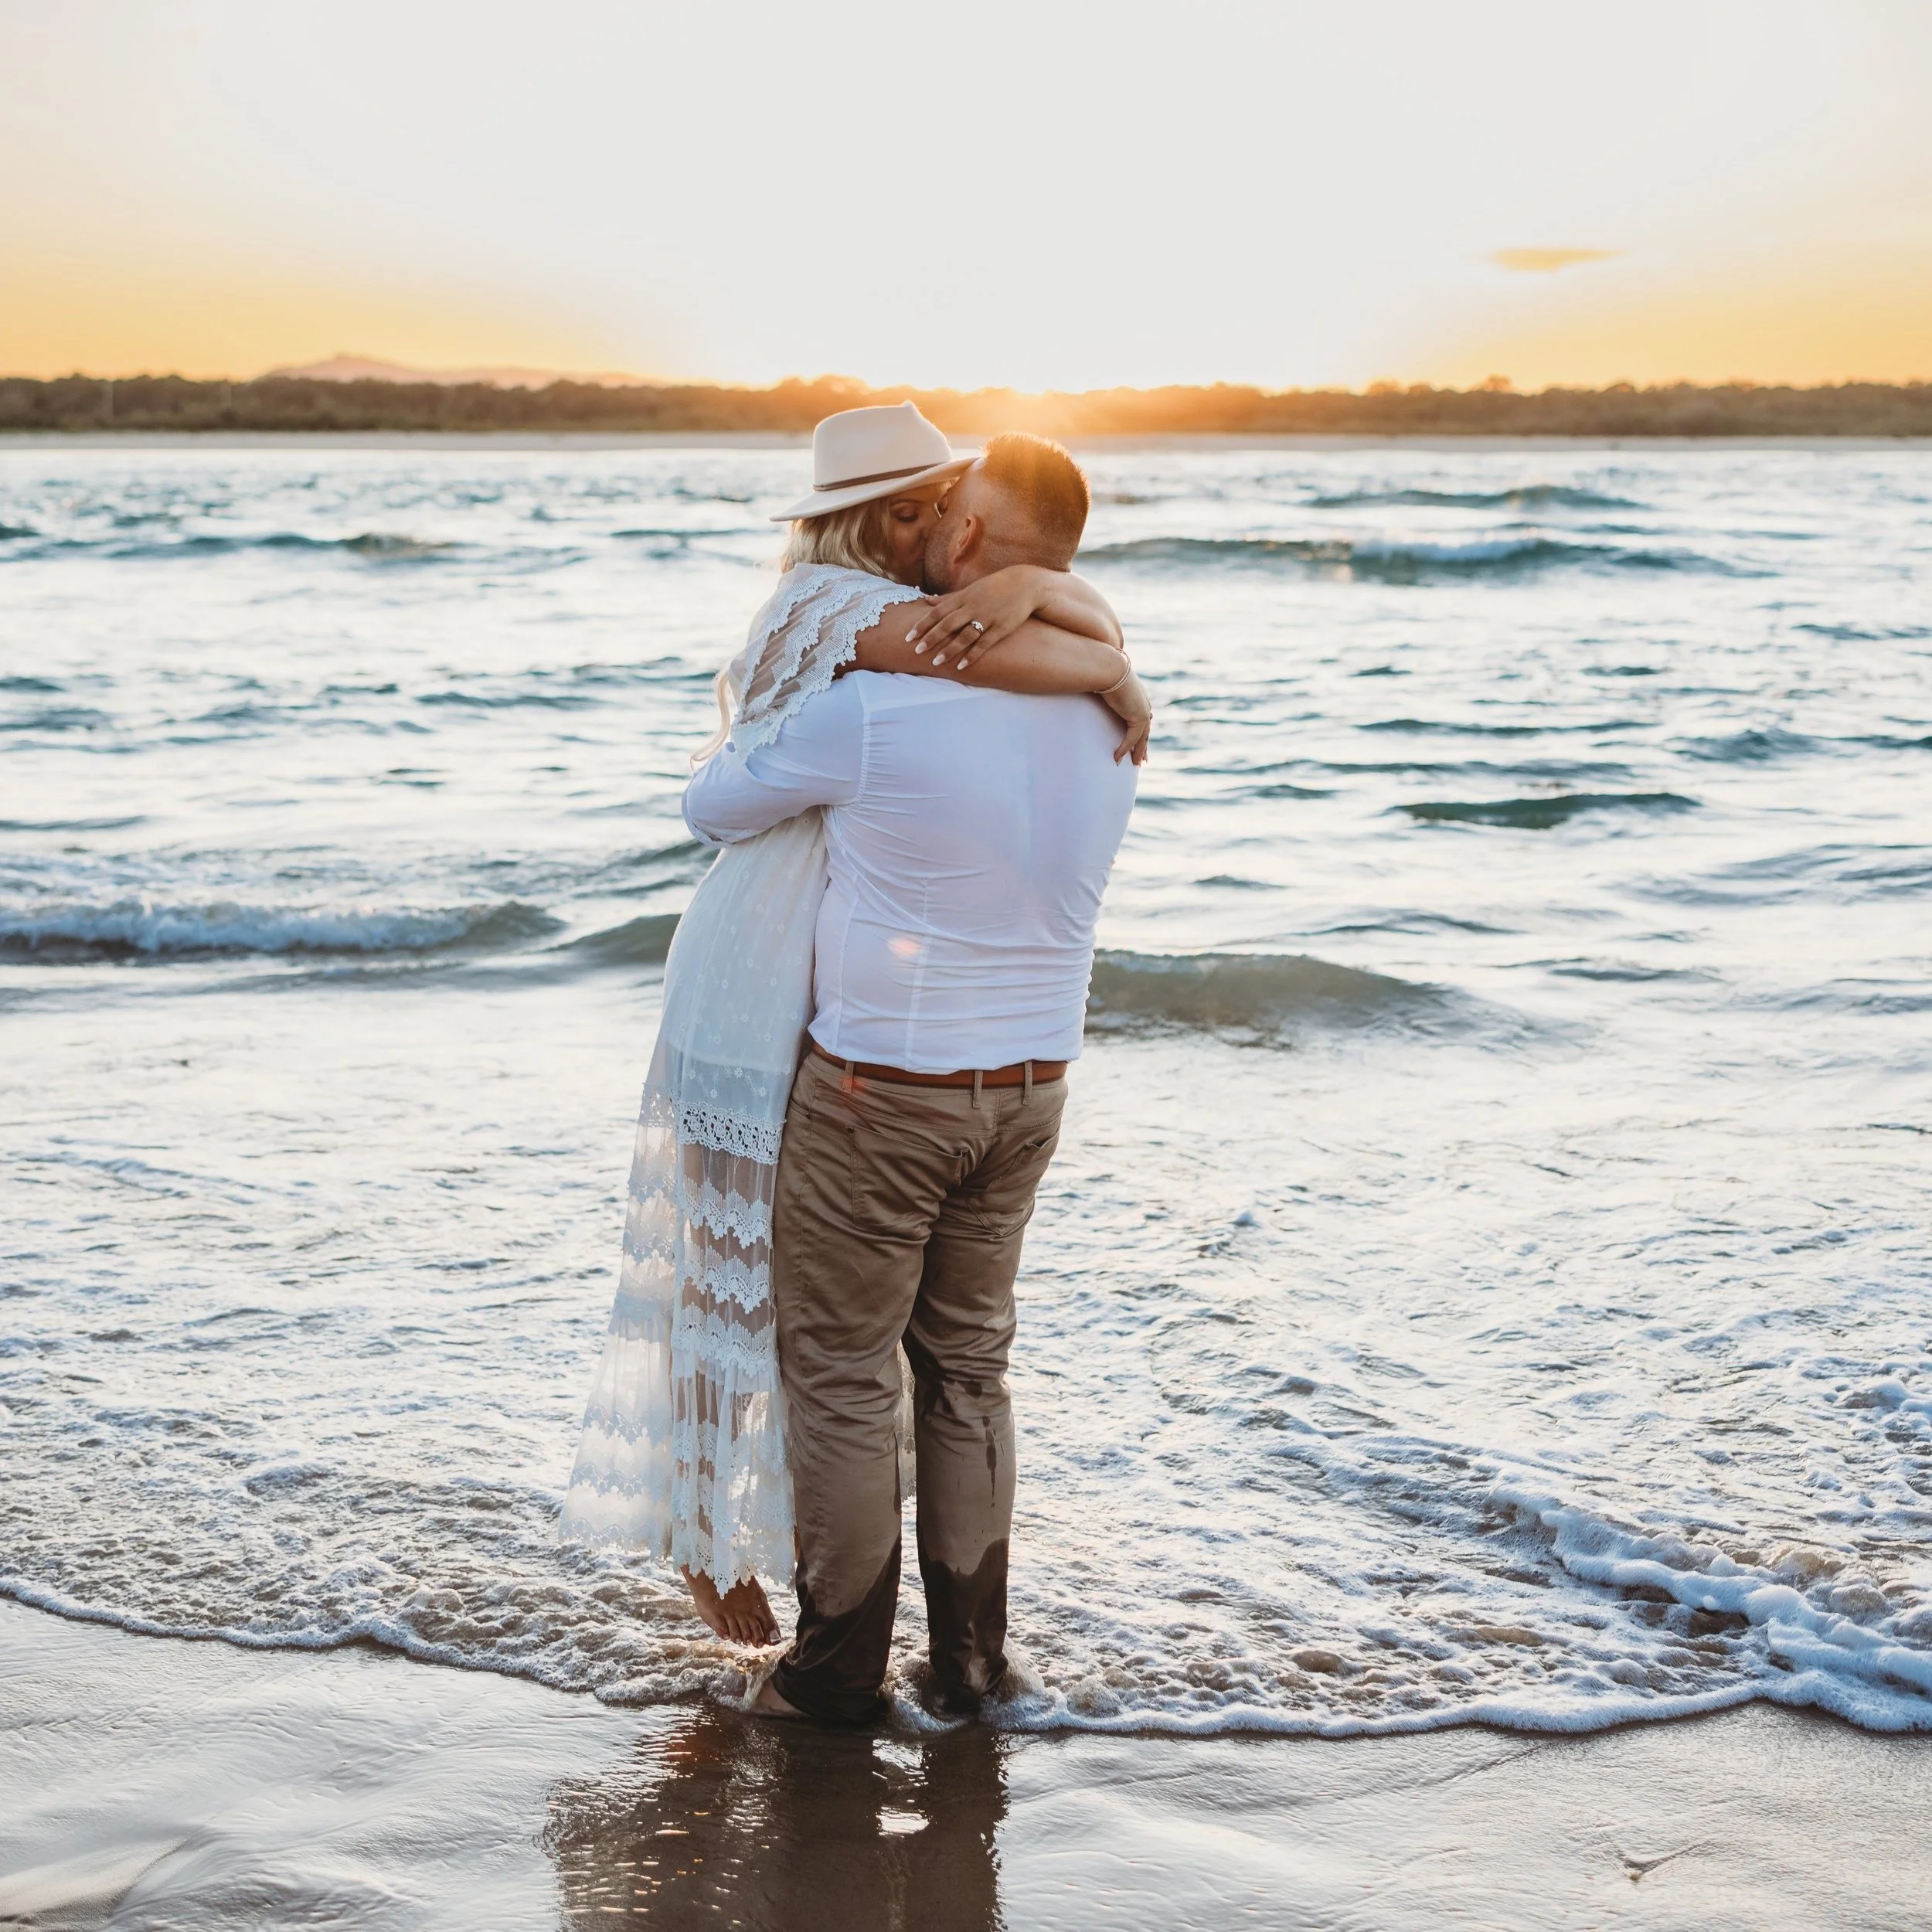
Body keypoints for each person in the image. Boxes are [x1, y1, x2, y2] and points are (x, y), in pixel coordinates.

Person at [560, 406, 1150, 1651]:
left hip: (847, 1015)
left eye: (955, 507)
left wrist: (1050, 596)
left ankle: (832, 1655)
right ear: (901, 517)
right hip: (844, 1002)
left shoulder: (907, 667)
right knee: (761, 1301)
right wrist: (1103, 646)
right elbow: (1058, 665)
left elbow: (729, 797)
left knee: (823, 1344)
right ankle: (763, 1575)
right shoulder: (838, 619)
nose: (942, 523)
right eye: (929, 503)